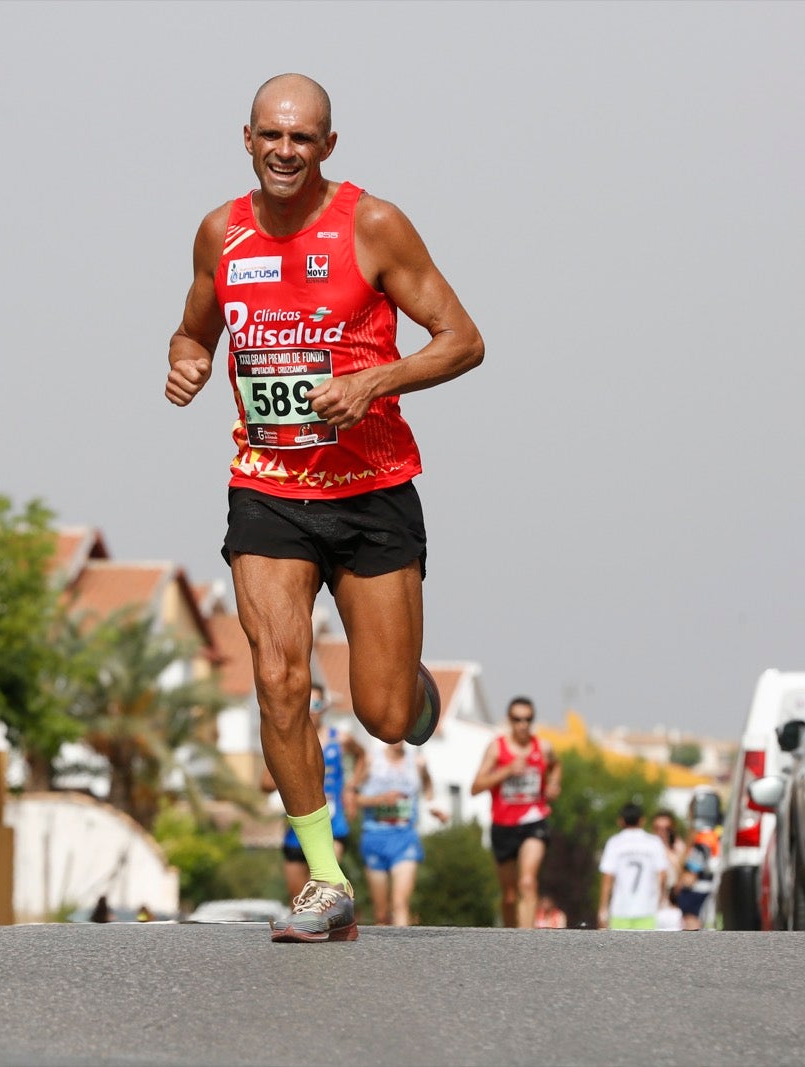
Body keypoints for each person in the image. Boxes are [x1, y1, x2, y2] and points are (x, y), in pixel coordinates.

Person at [166, 73, 484, 944]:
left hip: (372, 488)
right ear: (246, 137)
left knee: (381, 712)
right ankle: (325, 879)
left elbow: (463, 340)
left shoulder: (373, 225)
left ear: (328, 148)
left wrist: (374, 379)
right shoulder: (220, 233)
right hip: (268, 488)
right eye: (271, 134)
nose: (284, 150)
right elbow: (195, 330)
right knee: (279, 676)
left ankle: (412, 692)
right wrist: (187, 360)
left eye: (302, 138)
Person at [261, 683, 365, 900]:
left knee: (325, 887)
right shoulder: (287, 745)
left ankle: (332, 917)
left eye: (316, 703)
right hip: (297, 831)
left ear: (325, 707)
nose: (311, 709)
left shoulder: (341, 739)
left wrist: (352, 788)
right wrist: (289, 779)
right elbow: (265, 784)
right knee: (298, 898)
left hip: (334, 825)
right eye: (307, 703)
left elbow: (362, 757)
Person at [471, 696, 562, 929]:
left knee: (528, 882)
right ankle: (511, 940)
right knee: (510, 895)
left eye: (528, 719)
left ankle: (526, 942)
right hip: (503, 824)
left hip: (534, 820)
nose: (523, 724)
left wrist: (553, 784)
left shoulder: (543, 747)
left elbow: (556, 765)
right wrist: (507, 771)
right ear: (509, 720)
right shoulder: (497, 748)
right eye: (517, 719)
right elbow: (476, 787)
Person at [353, 741, 445, 926]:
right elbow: (353, 796)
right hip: (374, 838)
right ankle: (384, 954)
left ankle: (403, 953)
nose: (398, 739)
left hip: (404, 837)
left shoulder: (417, 762)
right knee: (381, 913)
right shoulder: (371, 760)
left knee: (400, 904)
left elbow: (428, 789)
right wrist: (380, 799)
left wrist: (433, 807)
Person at [598, 802, 672, 931]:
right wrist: (660, 899)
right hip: (647, 908)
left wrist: (603, 907)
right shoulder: (653, 842)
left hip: (620, 909)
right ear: (642, 820)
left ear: (621, 821)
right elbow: (662, 875)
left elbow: (607, 877)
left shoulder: (615, 842)